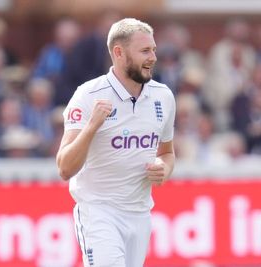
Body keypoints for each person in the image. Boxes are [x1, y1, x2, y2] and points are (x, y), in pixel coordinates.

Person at [56, 18, 176, 266]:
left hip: (140, 214)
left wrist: (164, 168)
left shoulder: (163, 96)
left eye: (153, 49)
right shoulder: (88, 95)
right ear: (119, 53)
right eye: (145, 51)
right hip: (98, 212)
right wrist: (92, 127)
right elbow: (65, 167)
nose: (153, 57)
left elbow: (167, 152)